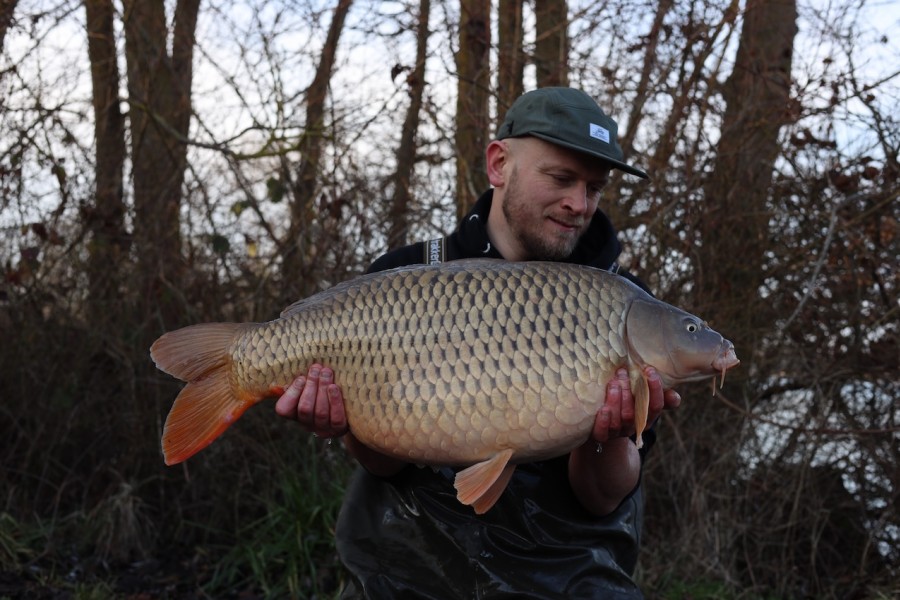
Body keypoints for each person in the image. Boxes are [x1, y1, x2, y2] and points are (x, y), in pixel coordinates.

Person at [275, 87, 681, 599]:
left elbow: (603, 500)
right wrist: (346, 424)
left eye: (594, 188)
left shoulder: (628, 311)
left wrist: (608, 436)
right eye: (560, 178)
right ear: (498, 164)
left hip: (566, 577)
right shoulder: (399, 280)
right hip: (412, 571)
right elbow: (384, 464)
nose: (579, 204)